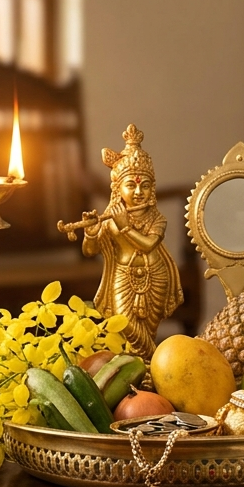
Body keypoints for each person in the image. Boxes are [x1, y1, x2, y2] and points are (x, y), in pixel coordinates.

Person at [81, 123, 184, 359]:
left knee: (150, 327)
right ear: (117, 189)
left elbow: (148, 245)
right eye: (131, 185)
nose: (139, 192)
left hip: (156, 275)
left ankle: (147, 372)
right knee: (124, 325)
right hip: (123, 275)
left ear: (152, 190)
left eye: (145, 185)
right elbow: (90, 251)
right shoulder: (109, 218)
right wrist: (90, 231)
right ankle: (155, 364)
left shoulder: (157, 218)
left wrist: (125, 226)